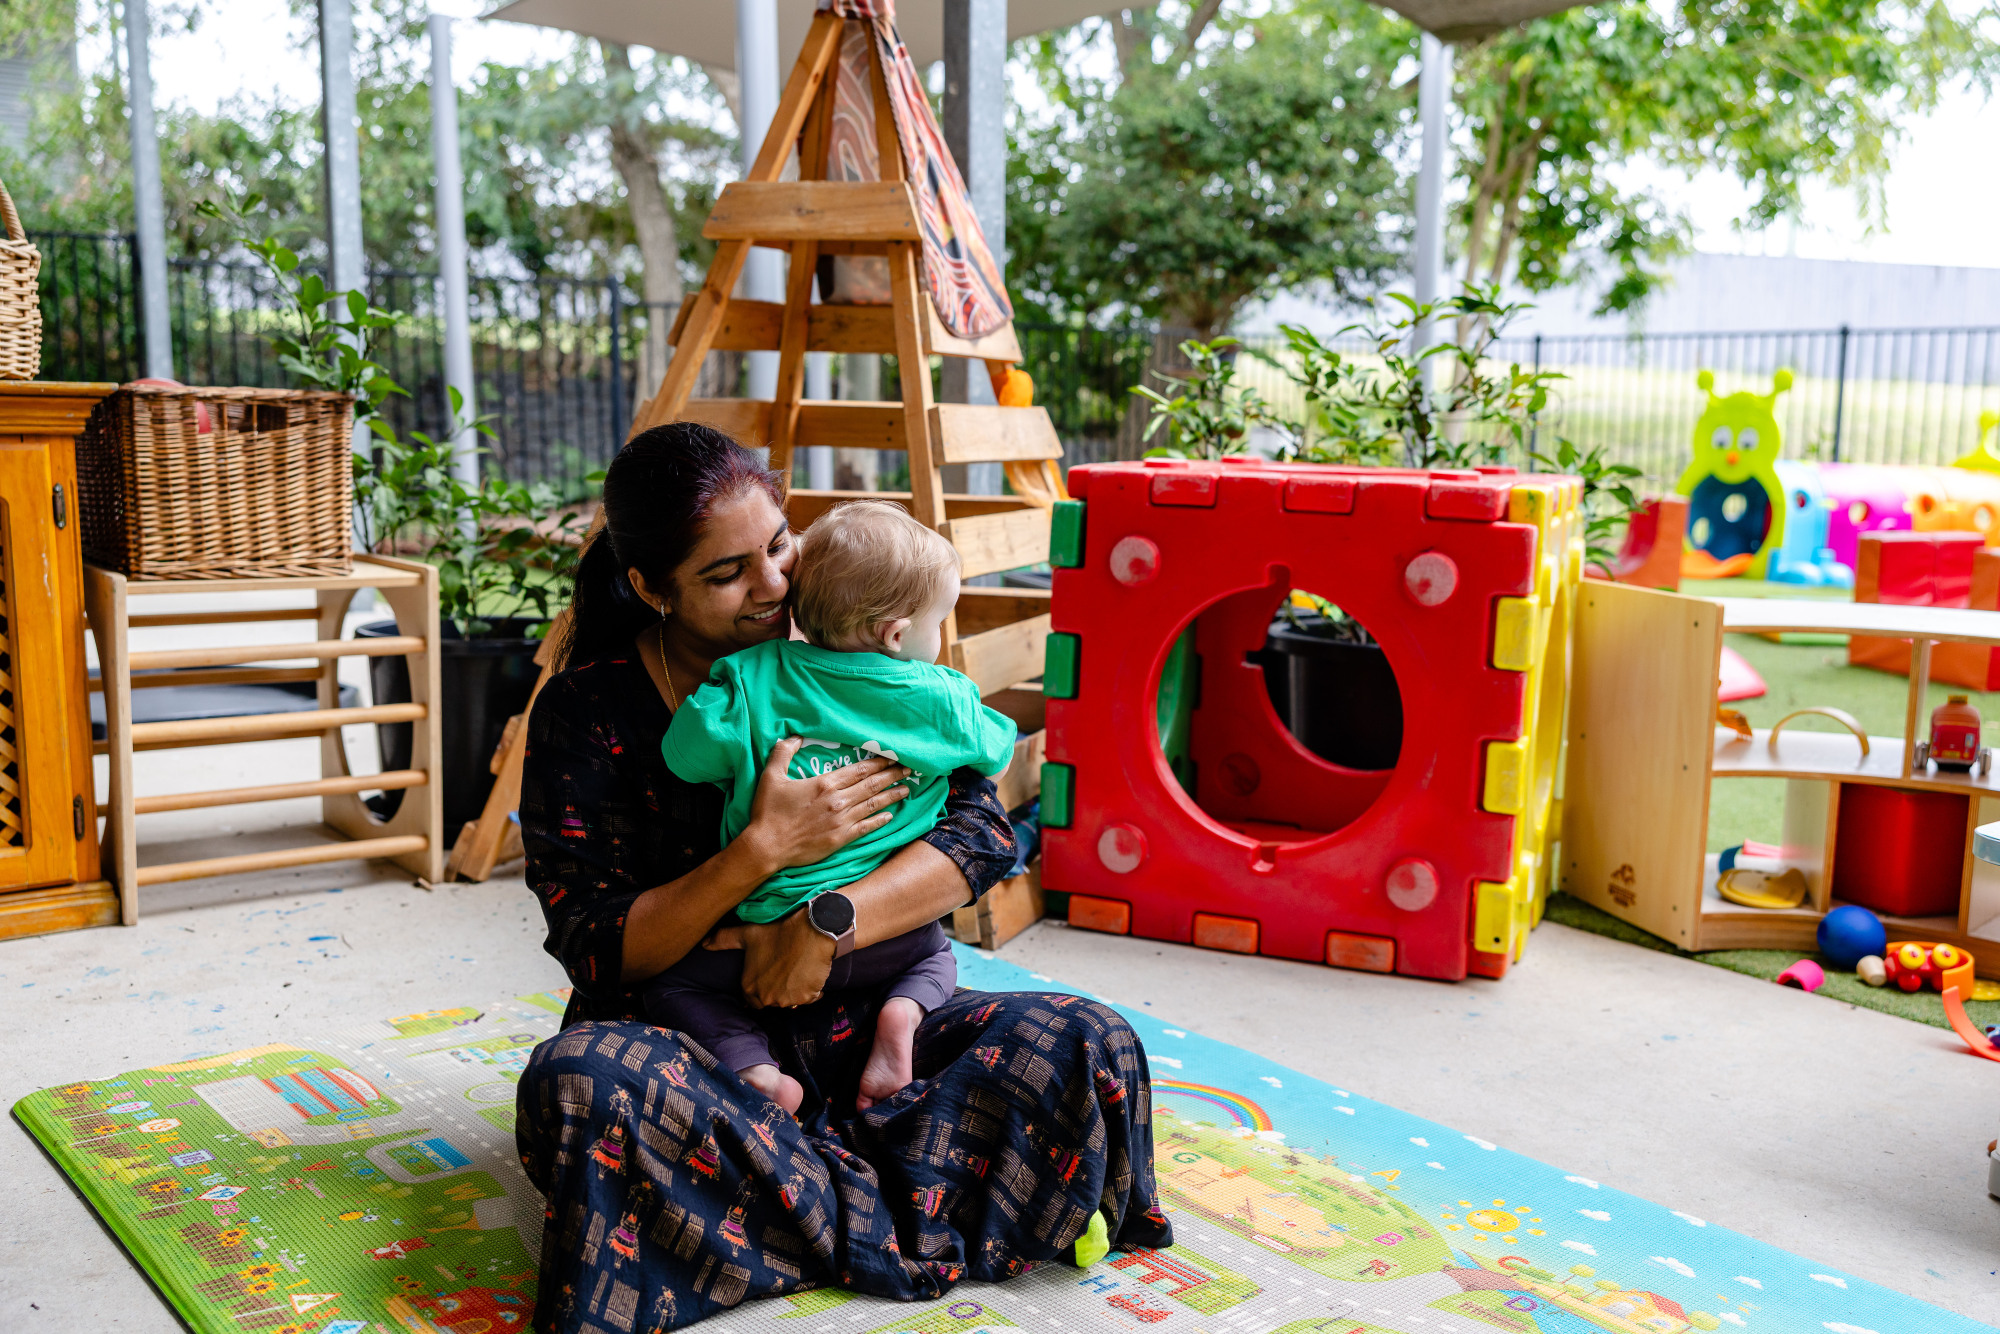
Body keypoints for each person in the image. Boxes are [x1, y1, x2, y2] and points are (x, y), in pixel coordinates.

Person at [514, 422, 1170, 1332]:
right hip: (698, 1044)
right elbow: (597, 945)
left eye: (778, 544)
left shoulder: (871, 655)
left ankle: (763, 1214)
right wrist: (760, 850)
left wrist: (824, 927)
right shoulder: (590, 709)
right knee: (581, 1084)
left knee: (1087, 1041)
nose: (775, 584)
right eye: (725, 572)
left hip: (871, 1039)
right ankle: (915, 1207)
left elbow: (982, 836)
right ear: (650, 588)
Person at [646, 500, 1017, 1115]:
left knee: (676, 984)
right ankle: (902, 1016)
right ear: (897, 634)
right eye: (940, 623)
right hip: (891, 935)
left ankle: (757, 1071)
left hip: (759, 932)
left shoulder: (751, 677)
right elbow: (996, 757)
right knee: (938, 955)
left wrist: (716, 697)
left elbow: (684, 758)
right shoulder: (941, 697)